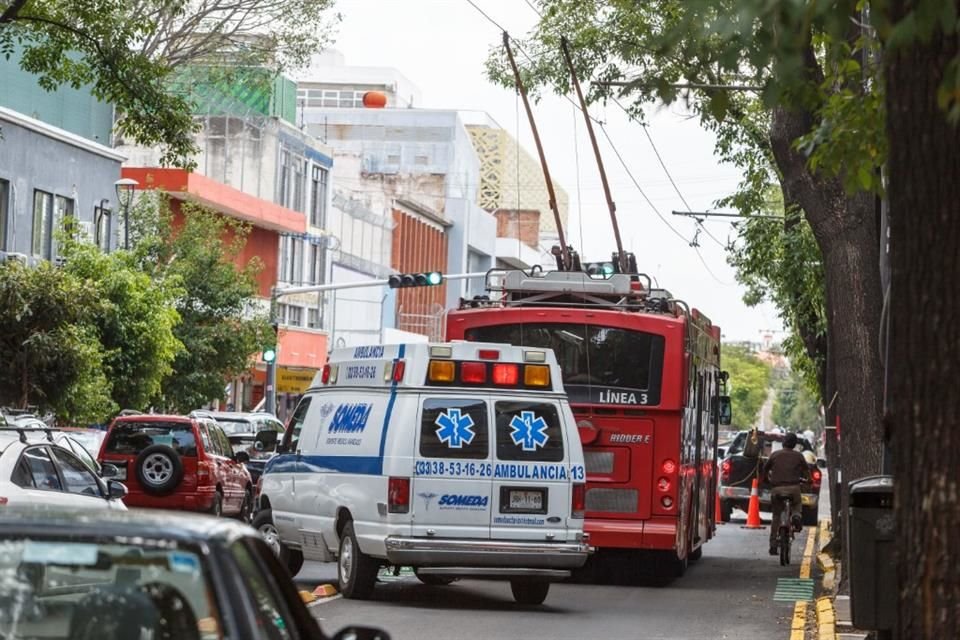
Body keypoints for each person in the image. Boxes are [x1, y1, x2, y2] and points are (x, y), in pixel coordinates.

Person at [762, 432, 809, 555]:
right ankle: (796, 516)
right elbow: (806, 471)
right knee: (797, 503)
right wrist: (808, 480)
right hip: (794, 489)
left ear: (783, 443)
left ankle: (772, 545)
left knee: (776, 516)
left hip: (777, 489)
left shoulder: (775, 455)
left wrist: (767, 479)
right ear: (794, 444)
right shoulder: (799, 456)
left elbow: (765, 469)